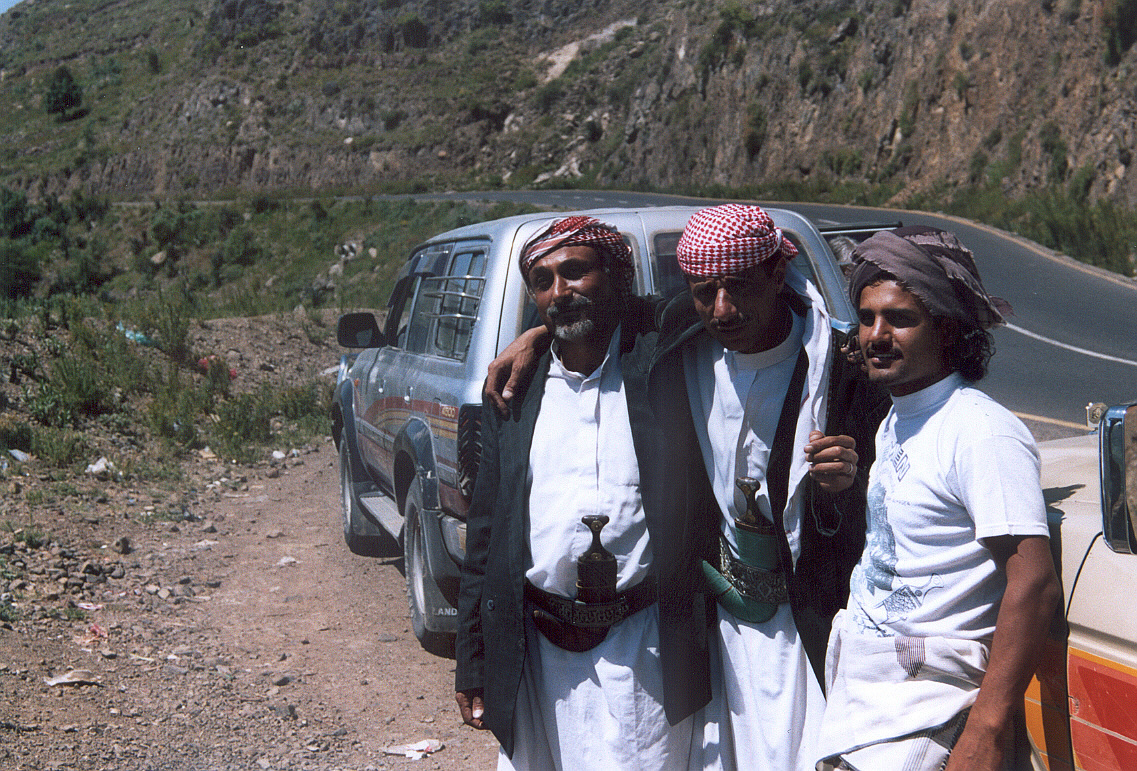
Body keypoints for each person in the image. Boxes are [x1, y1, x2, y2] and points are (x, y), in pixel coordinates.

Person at [484, 204, 890, 770]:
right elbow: (489, 530)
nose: (722, 309)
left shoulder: (834, 368)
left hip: (785, 623)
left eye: (739, 285)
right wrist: (533, 336)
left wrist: (846, 483)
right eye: (704, 290)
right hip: (692, 625)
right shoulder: (674, 347)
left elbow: (892, 498)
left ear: (777, 274)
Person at [454, 216, 718, 769]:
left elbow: (695, 305)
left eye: (576, 272)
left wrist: (533, 333)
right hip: (539, 651)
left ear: (616, 277)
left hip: (639, 646)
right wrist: (473, 659)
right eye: (543, 281)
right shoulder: (515, 394)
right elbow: (485, 534)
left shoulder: (657, 363)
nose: (560, 292)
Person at [814, 226, 1061, 771]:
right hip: (870, 693)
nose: (876, 334)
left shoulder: (980, 431)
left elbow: (1033, 582)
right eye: (867, 316)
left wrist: (987, 730)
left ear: (948, 330)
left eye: (900, 318)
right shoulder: (897, 420)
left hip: (929, 707)